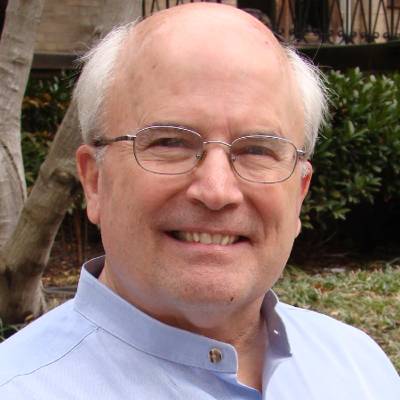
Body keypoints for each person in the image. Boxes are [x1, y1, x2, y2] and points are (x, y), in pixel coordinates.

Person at [0, 3, 399, 399]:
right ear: (95, 181)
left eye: (258, 149)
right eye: (170, 142)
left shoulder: (359, 368)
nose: (217, 190)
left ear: (299, 191)